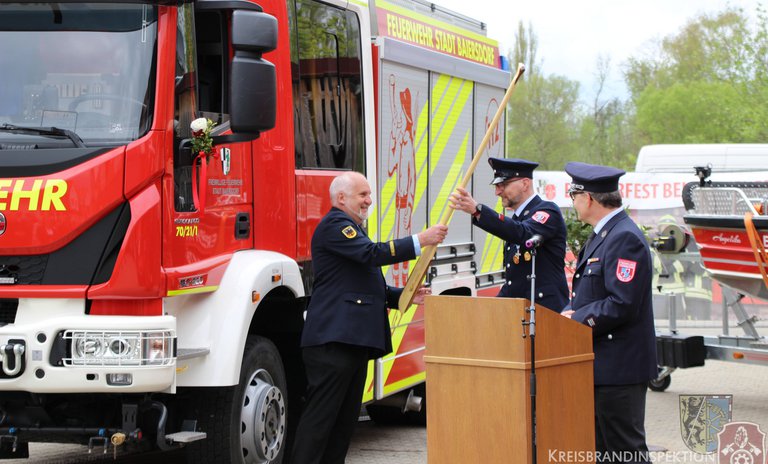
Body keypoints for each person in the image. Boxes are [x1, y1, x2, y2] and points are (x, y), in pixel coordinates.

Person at [291, 171, 448, 464]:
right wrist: (420, 240)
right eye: (362, 194)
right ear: (341, 198)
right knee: (320, 422)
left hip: (350, 342)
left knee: (343, 423)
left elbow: (363, 282)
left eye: (369, 194)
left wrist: (402, 296)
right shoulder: (336, 226)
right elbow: (371, 255)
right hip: (332, 342)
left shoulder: (354, 227)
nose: (369, 200)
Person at [560, 161, 657, 464]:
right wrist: (571, 310)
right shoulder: (605, 233)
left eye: (573, 195)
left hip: (620, 369)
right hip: (604, 365)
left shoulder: (623, 237)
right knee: (604, 453)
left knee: (626, 453)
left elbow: (622, 303)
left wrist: (574, 320)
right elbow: (593, 292)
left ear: (587, 198)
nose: (572, 202)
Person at [448, 157, 568, 311]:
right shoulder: (519, 219)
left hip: (546, 313)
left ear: (525, 184)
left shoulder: (547, 211)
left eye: (503, 185)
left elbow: (524, 233)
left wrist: (478, 210)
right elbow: (514, 281)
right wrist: (489, 311)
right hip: (521, 312)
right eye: (497, 186)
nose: (497, 192)